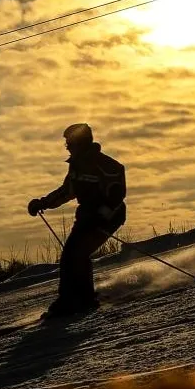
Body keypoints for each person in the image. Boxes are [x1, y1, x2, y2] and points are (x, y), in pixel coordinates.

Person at [28, 123, 127, 318]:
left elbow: (117, 192)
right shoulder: (77, 167)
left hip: (107, 217)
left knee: (78, 253)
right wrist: (42, 203)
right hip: (86, 217)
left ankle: (82, 299)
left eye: (69, 143)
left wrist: (103, 214)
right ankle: (73, 298)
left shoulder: (105, 165)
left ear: (79, 143)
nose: (67, 147)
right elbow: (67, 192)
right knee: (69, 256)